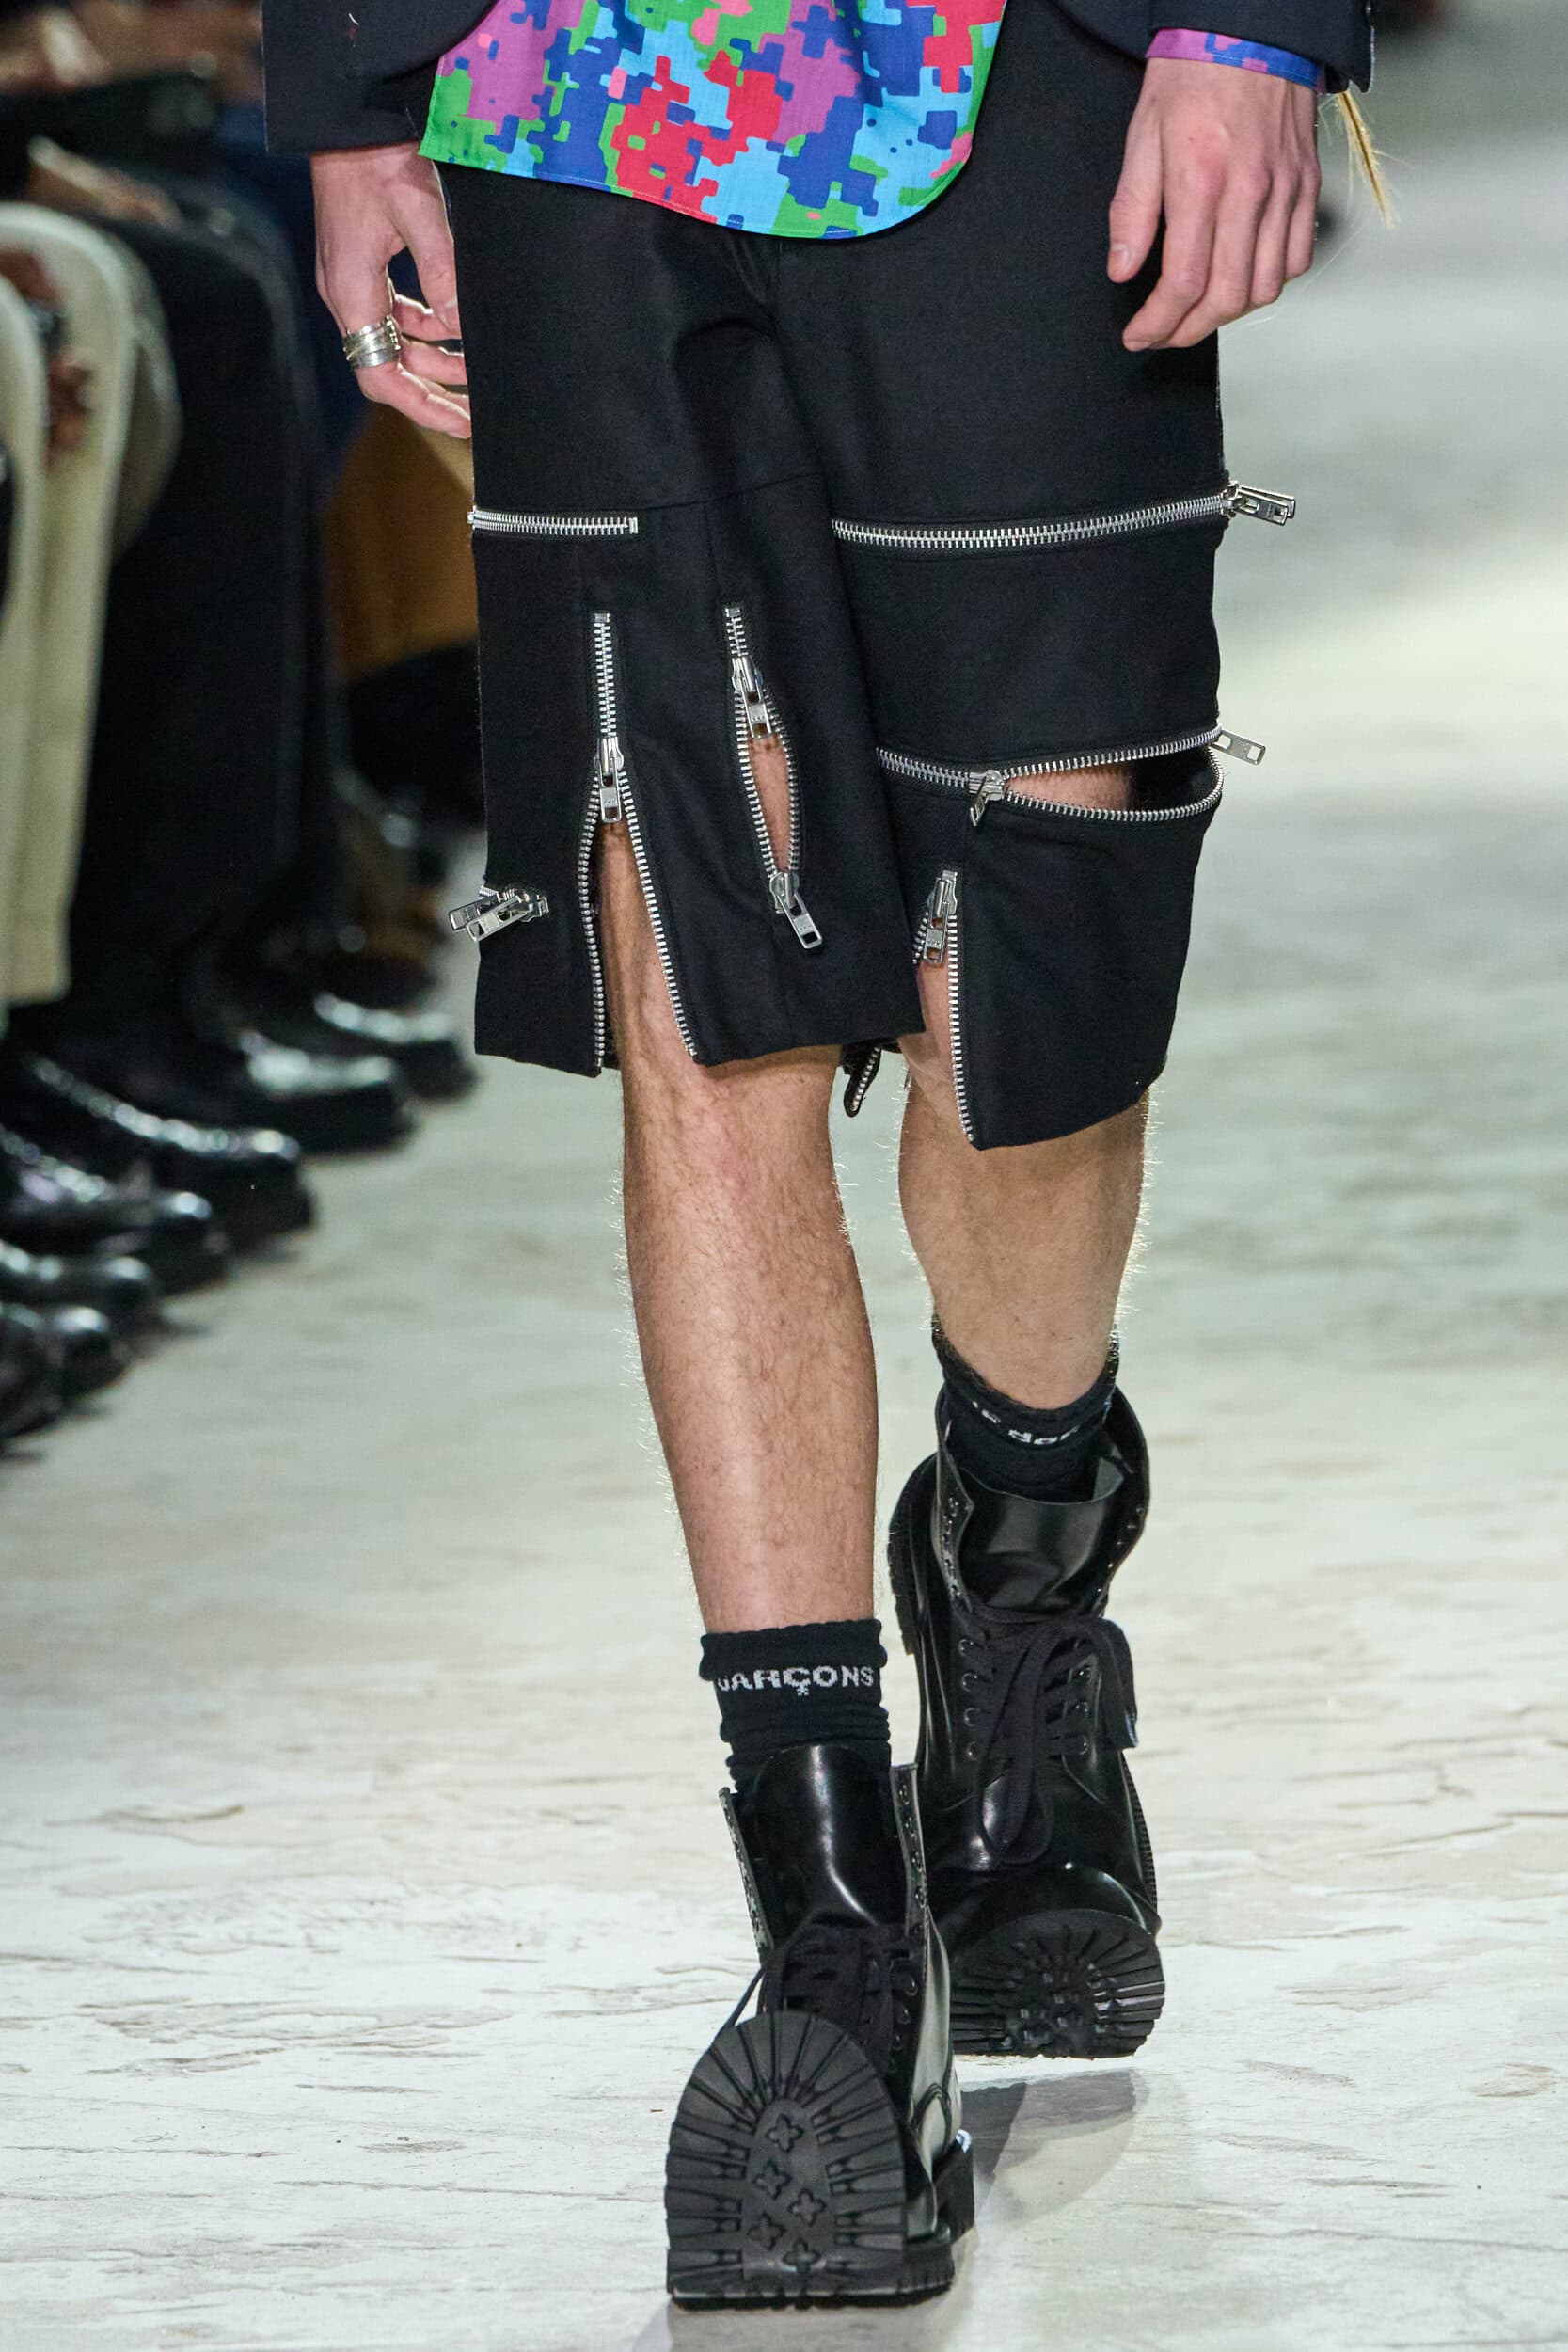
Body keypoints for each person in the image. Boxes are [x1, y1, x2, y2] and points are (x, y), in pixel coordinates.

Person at [261, 0, 1373, 2309]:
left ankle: (1018, 1561)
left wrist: (1254, 27)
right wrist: (354, 96)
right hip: (566, 81)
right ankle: (833, 1915)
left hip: (1025, 79)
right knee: (686, 935)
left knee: (1027, 948)